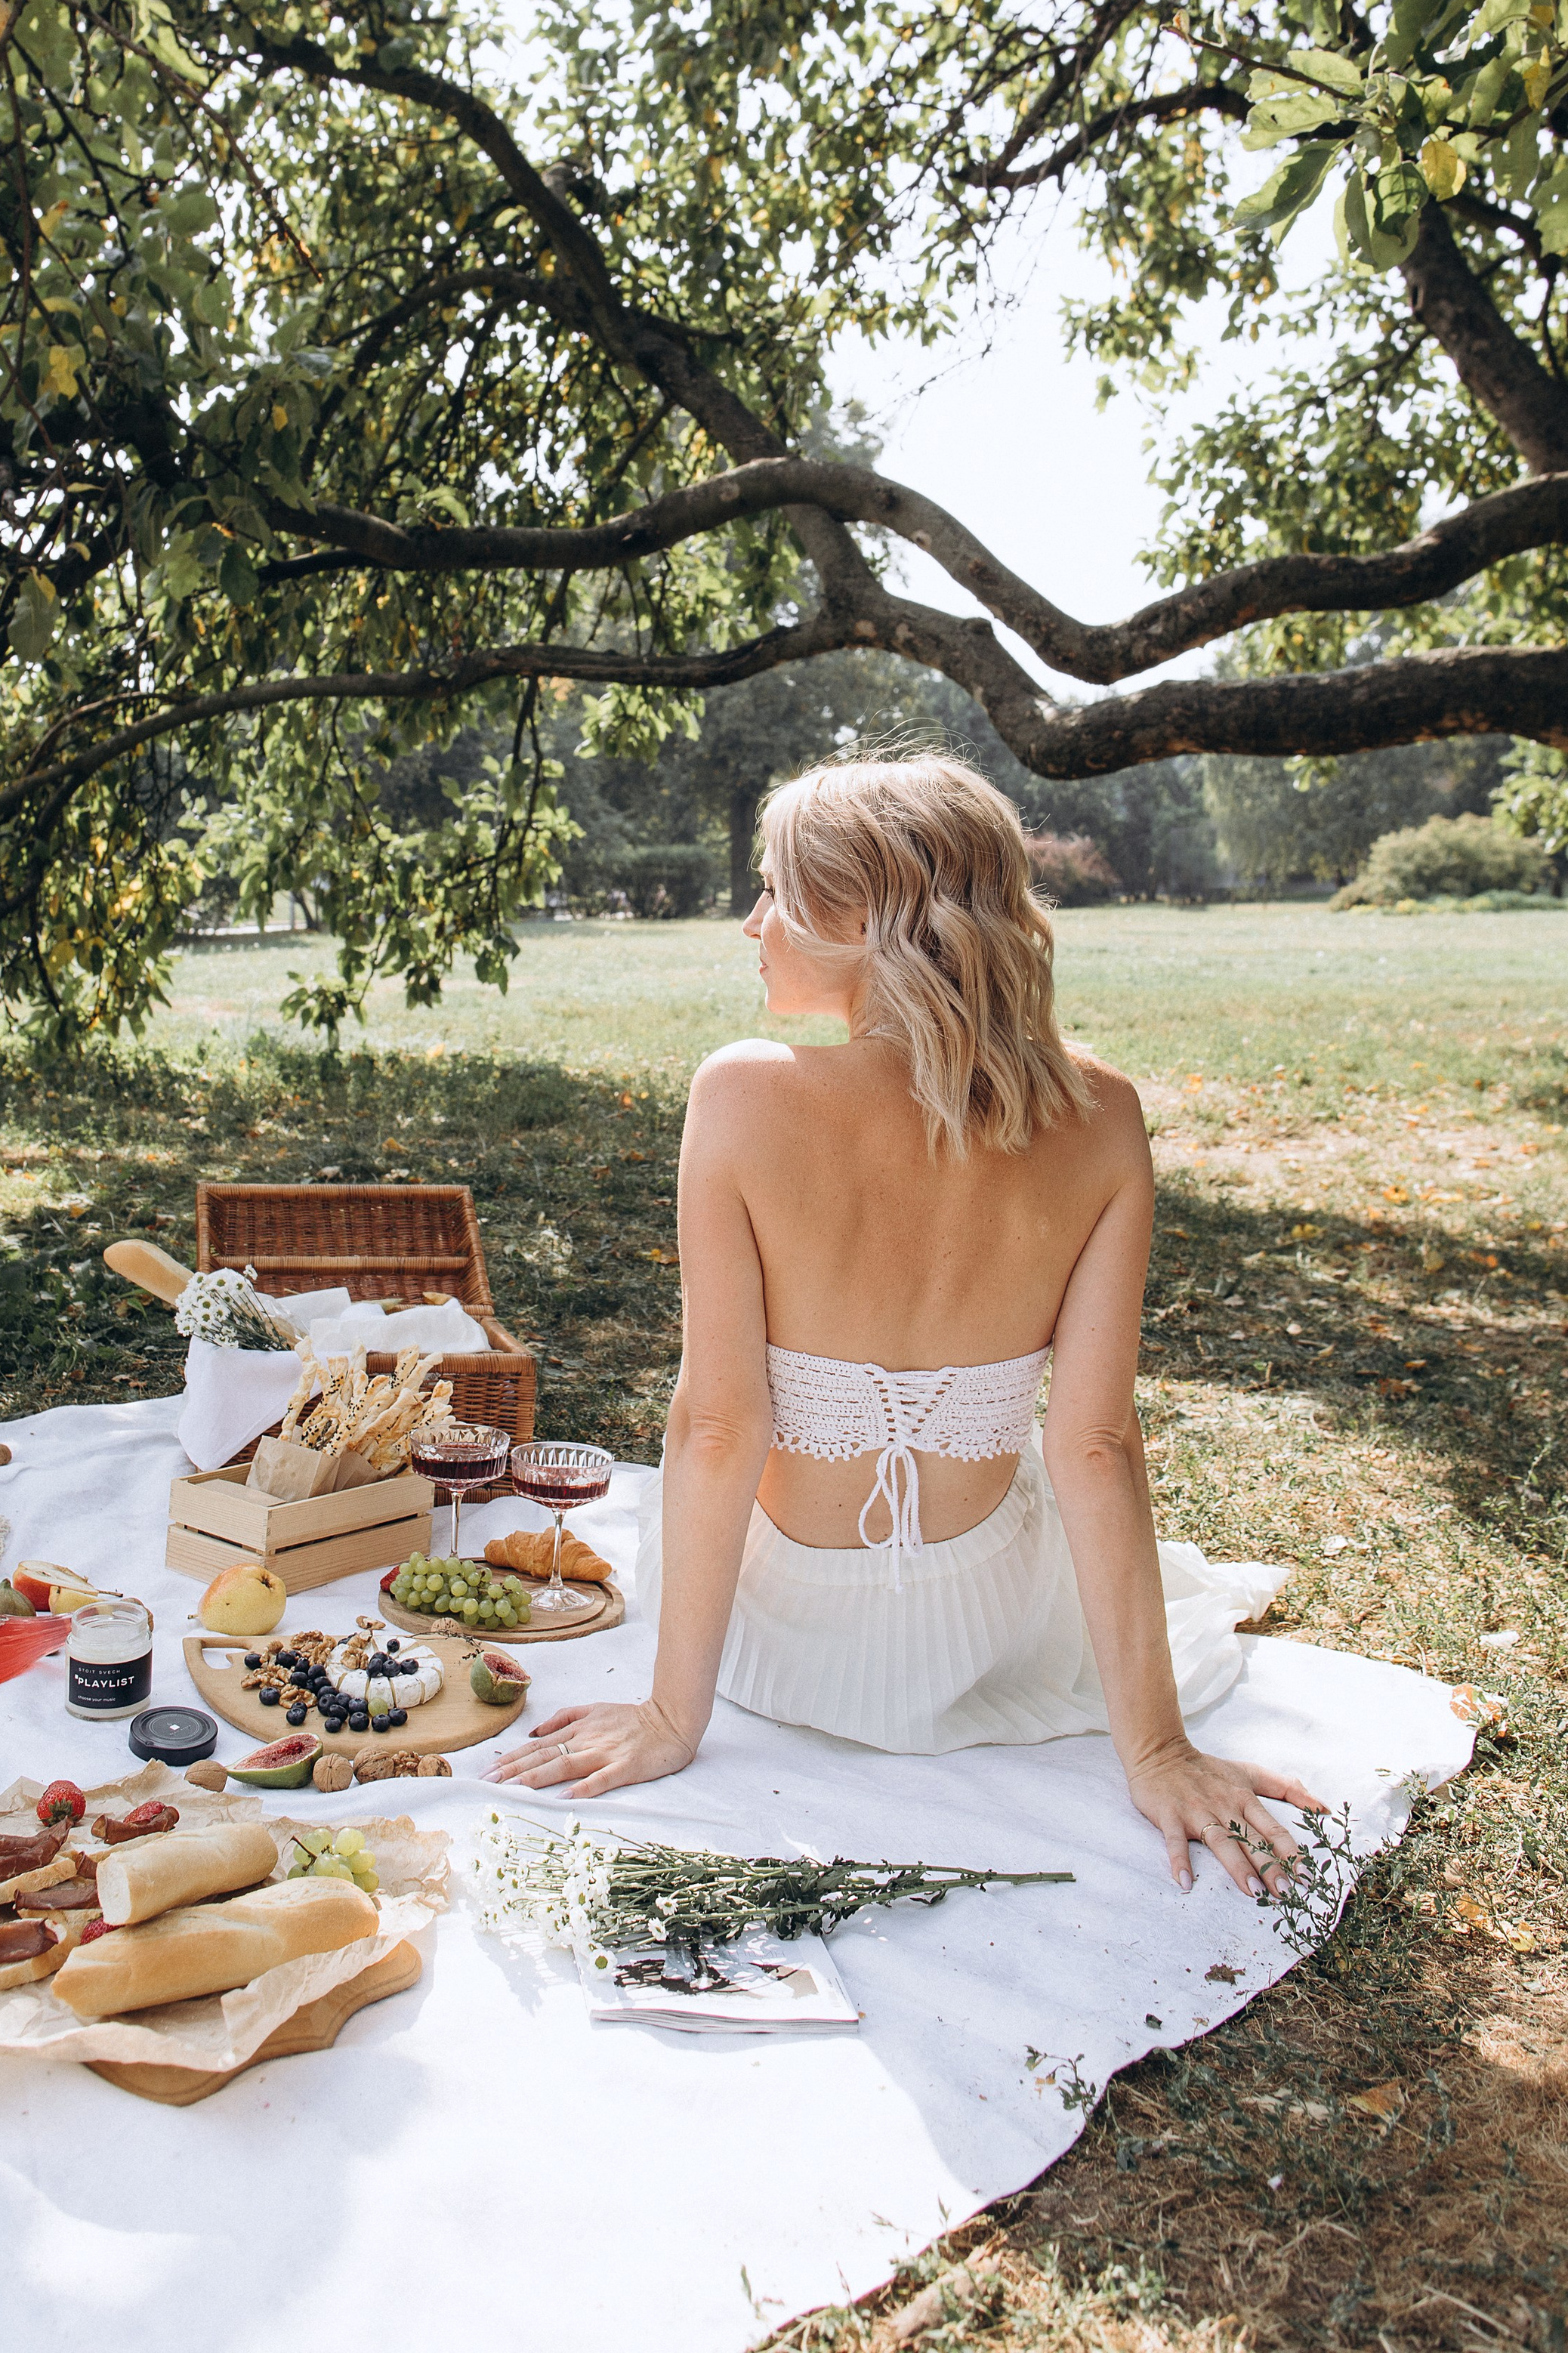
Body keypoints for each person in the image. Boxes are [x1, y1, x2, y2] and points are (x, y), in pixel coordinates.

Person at [487, 753, 1323, 1893]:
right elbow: (1094, 1447)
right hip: (984, 1634)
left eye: (774, 889)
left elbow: (717, 1429)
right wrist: (1158, 1749)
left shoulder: (740, 1094)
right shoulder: (1104, 1115)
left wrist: (674, 1715)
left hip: (778, 1643)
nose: (752, 923)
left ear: (859, 914)